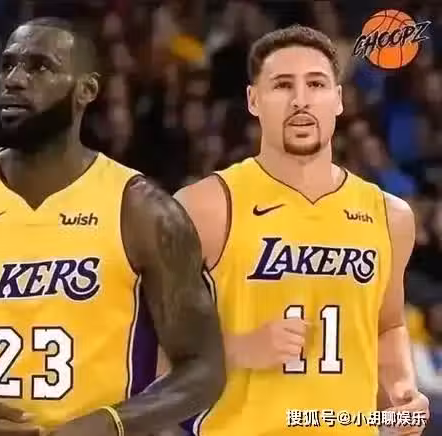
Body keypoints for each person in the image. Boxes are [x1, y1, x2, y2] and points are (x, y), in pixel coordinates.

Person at [0, 17, 226, 436]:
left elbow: (204, 368)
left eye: (40, 67)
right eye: (8, 65)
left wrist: (112, 423)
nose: (14, 80)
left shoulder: (143, 212)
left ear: (86, 90)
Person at [175, 25, 429, 435]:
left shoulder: (389, 215)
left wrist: (401, 389)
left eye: (316, 84)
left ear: (339, 99)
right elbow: (145, 348)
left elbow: (388, 325)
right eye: (282, 85)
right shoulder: (206, 206)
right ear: (253, 100)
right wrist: (236, 349)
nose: (300, 100)